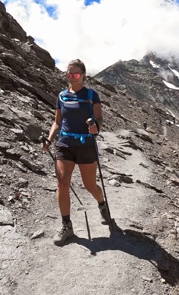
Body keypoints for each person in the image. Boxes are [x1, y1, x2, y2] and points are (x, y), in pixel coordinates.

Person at [42, 59, 109, 245]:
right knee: (62, 184)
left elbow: (99, 118)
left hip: (86, 144)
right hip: (65, 144)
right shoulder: (62, 96)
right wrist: (49, 139)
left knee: (90, 185)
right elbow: (57, 121)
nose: (71, 77)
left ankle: (102, 204)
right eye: (69, 74)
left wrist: (96, 127)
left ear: (83, 75)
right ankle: (66, 225)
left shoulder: (91, 95)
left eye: (75, 74)